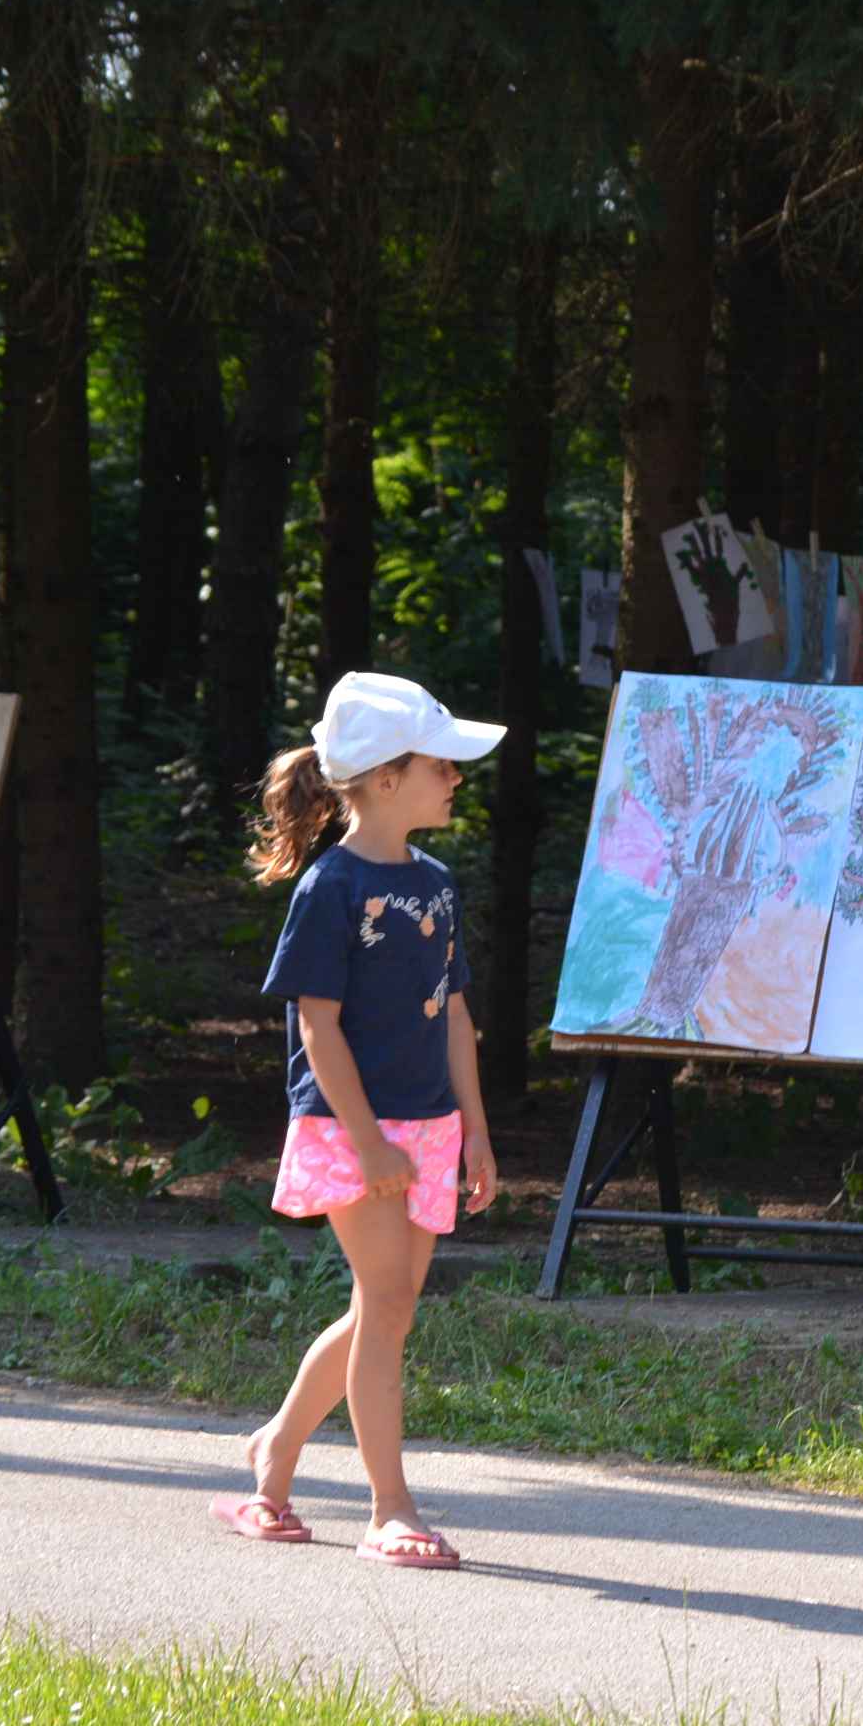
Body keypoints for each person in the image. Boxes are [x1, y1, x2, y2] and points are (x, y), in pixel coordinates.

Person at [220, 673, 504, 1570]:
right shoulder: (331, 888)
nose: (456, 778)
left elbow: (456, 1016)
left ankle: (273, 1454)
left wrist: (476, 1135)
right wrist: (371, 1142)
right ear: (385, 779)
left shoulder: (436, 883)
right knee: (386, 1308)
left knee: (385, 1308)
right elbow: (317, 1024)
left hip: (427, 1128)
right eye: (441, 764)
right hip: (354, 1130)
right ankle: (389, 1509)